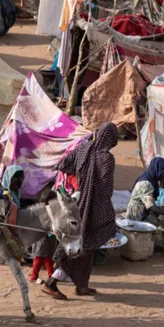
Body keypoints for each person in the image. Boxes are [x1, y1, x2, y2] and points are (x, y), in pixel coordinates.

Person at [42, 122, 119, 300]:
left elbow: (62, 164)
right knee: (84, 244)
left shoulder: (84, 149)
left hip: (78, 202)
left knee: (86, 244)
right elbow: (107, 188)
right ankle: (52, 282)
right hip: (95, 207)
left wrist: (78, 184)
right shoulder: (106, 158)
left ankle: (81, 284)